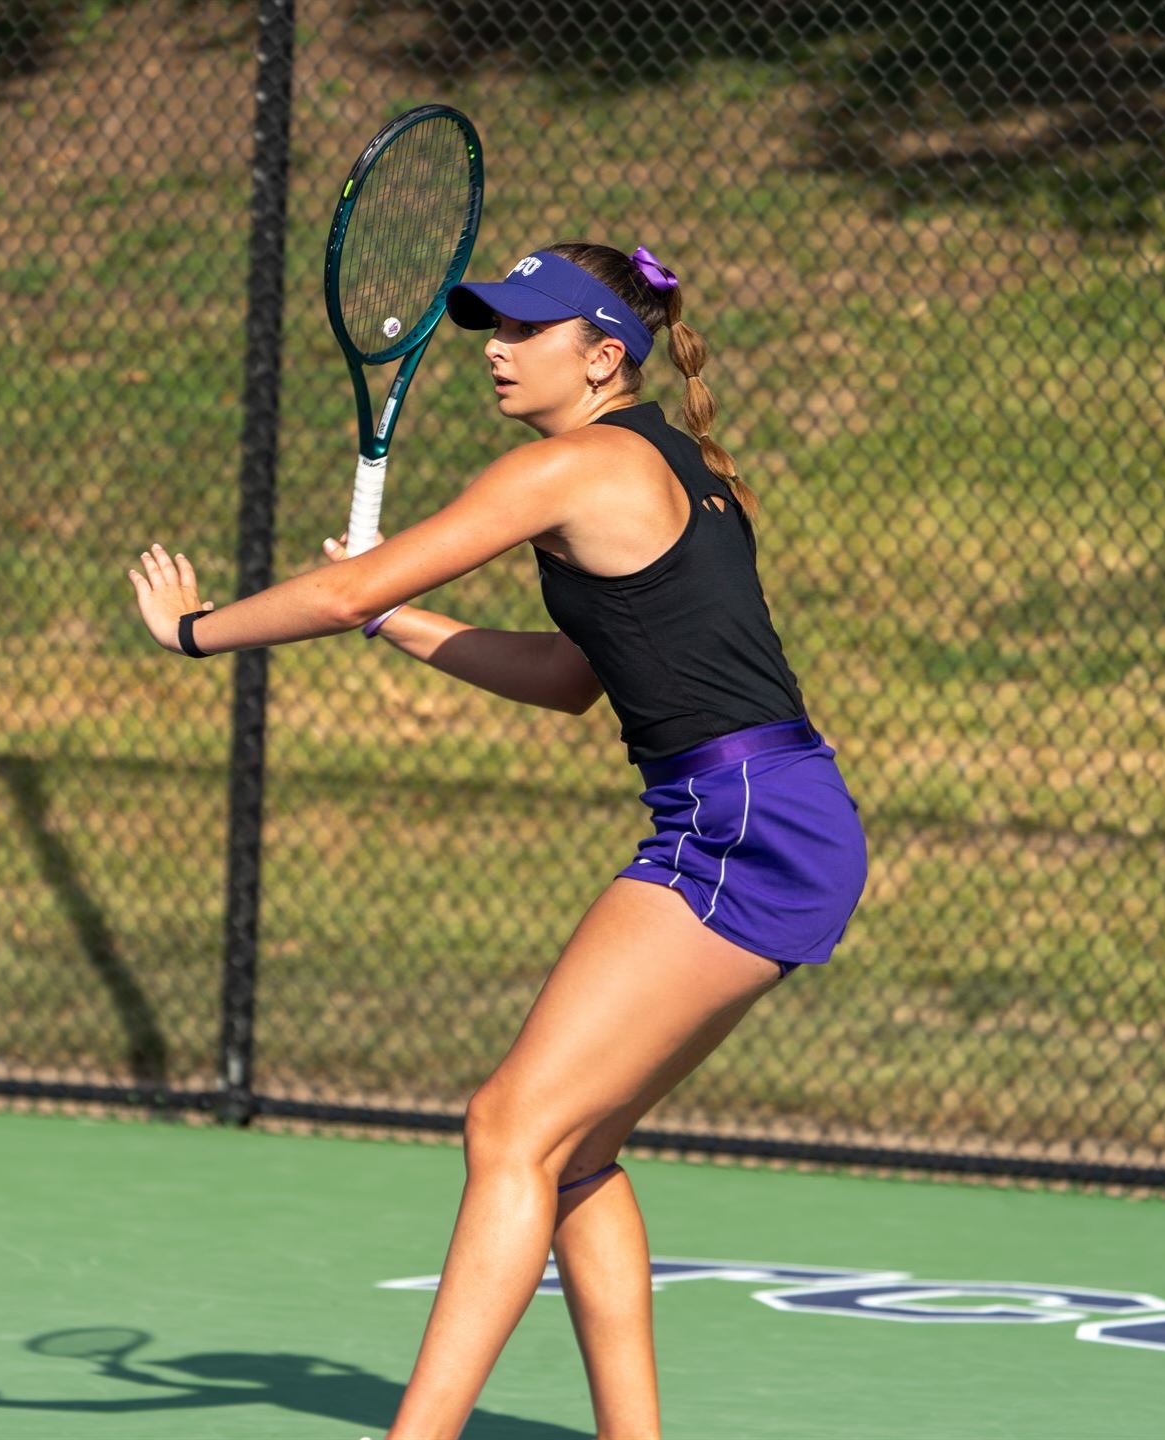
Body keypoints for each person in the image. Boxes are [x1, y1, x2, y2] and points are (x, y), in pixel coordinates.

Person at [128, 242, 867, 1440]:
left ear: (601, 355)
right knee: (569, 1154)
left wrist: (195, 633)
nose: (495, 349)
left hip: (741, 824)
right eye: (491, 327)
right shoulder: (663, 461)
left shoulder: (573, 467)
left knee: (508, 1128)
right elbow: (572, 675)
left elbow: (330, 597)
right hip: (768, 811)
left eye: (524, 330)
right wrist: (398, 620)